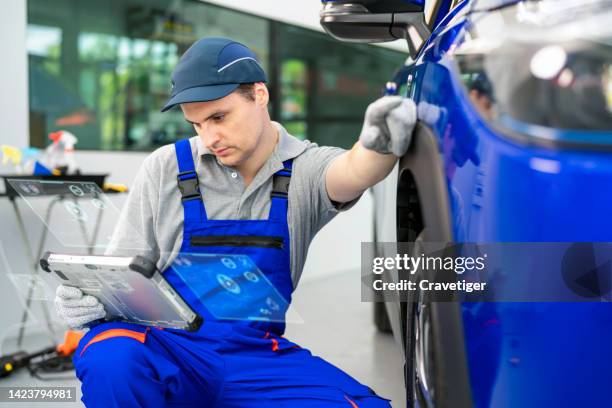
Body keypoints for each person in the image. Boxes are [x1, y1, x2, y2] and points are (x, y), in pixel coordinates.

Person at [55, 37, 416, 407]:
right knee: (110, 357)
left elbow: (353, 170)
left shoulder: (303, 169)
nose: (209, 138)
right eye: (196, 124)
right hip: (165, 348)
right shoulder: (165, 167)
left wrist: (379, 143)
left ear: (259, 95)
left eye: (218, 117)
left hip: (252, 356)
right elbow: (120, 273)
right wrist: (89, 300)